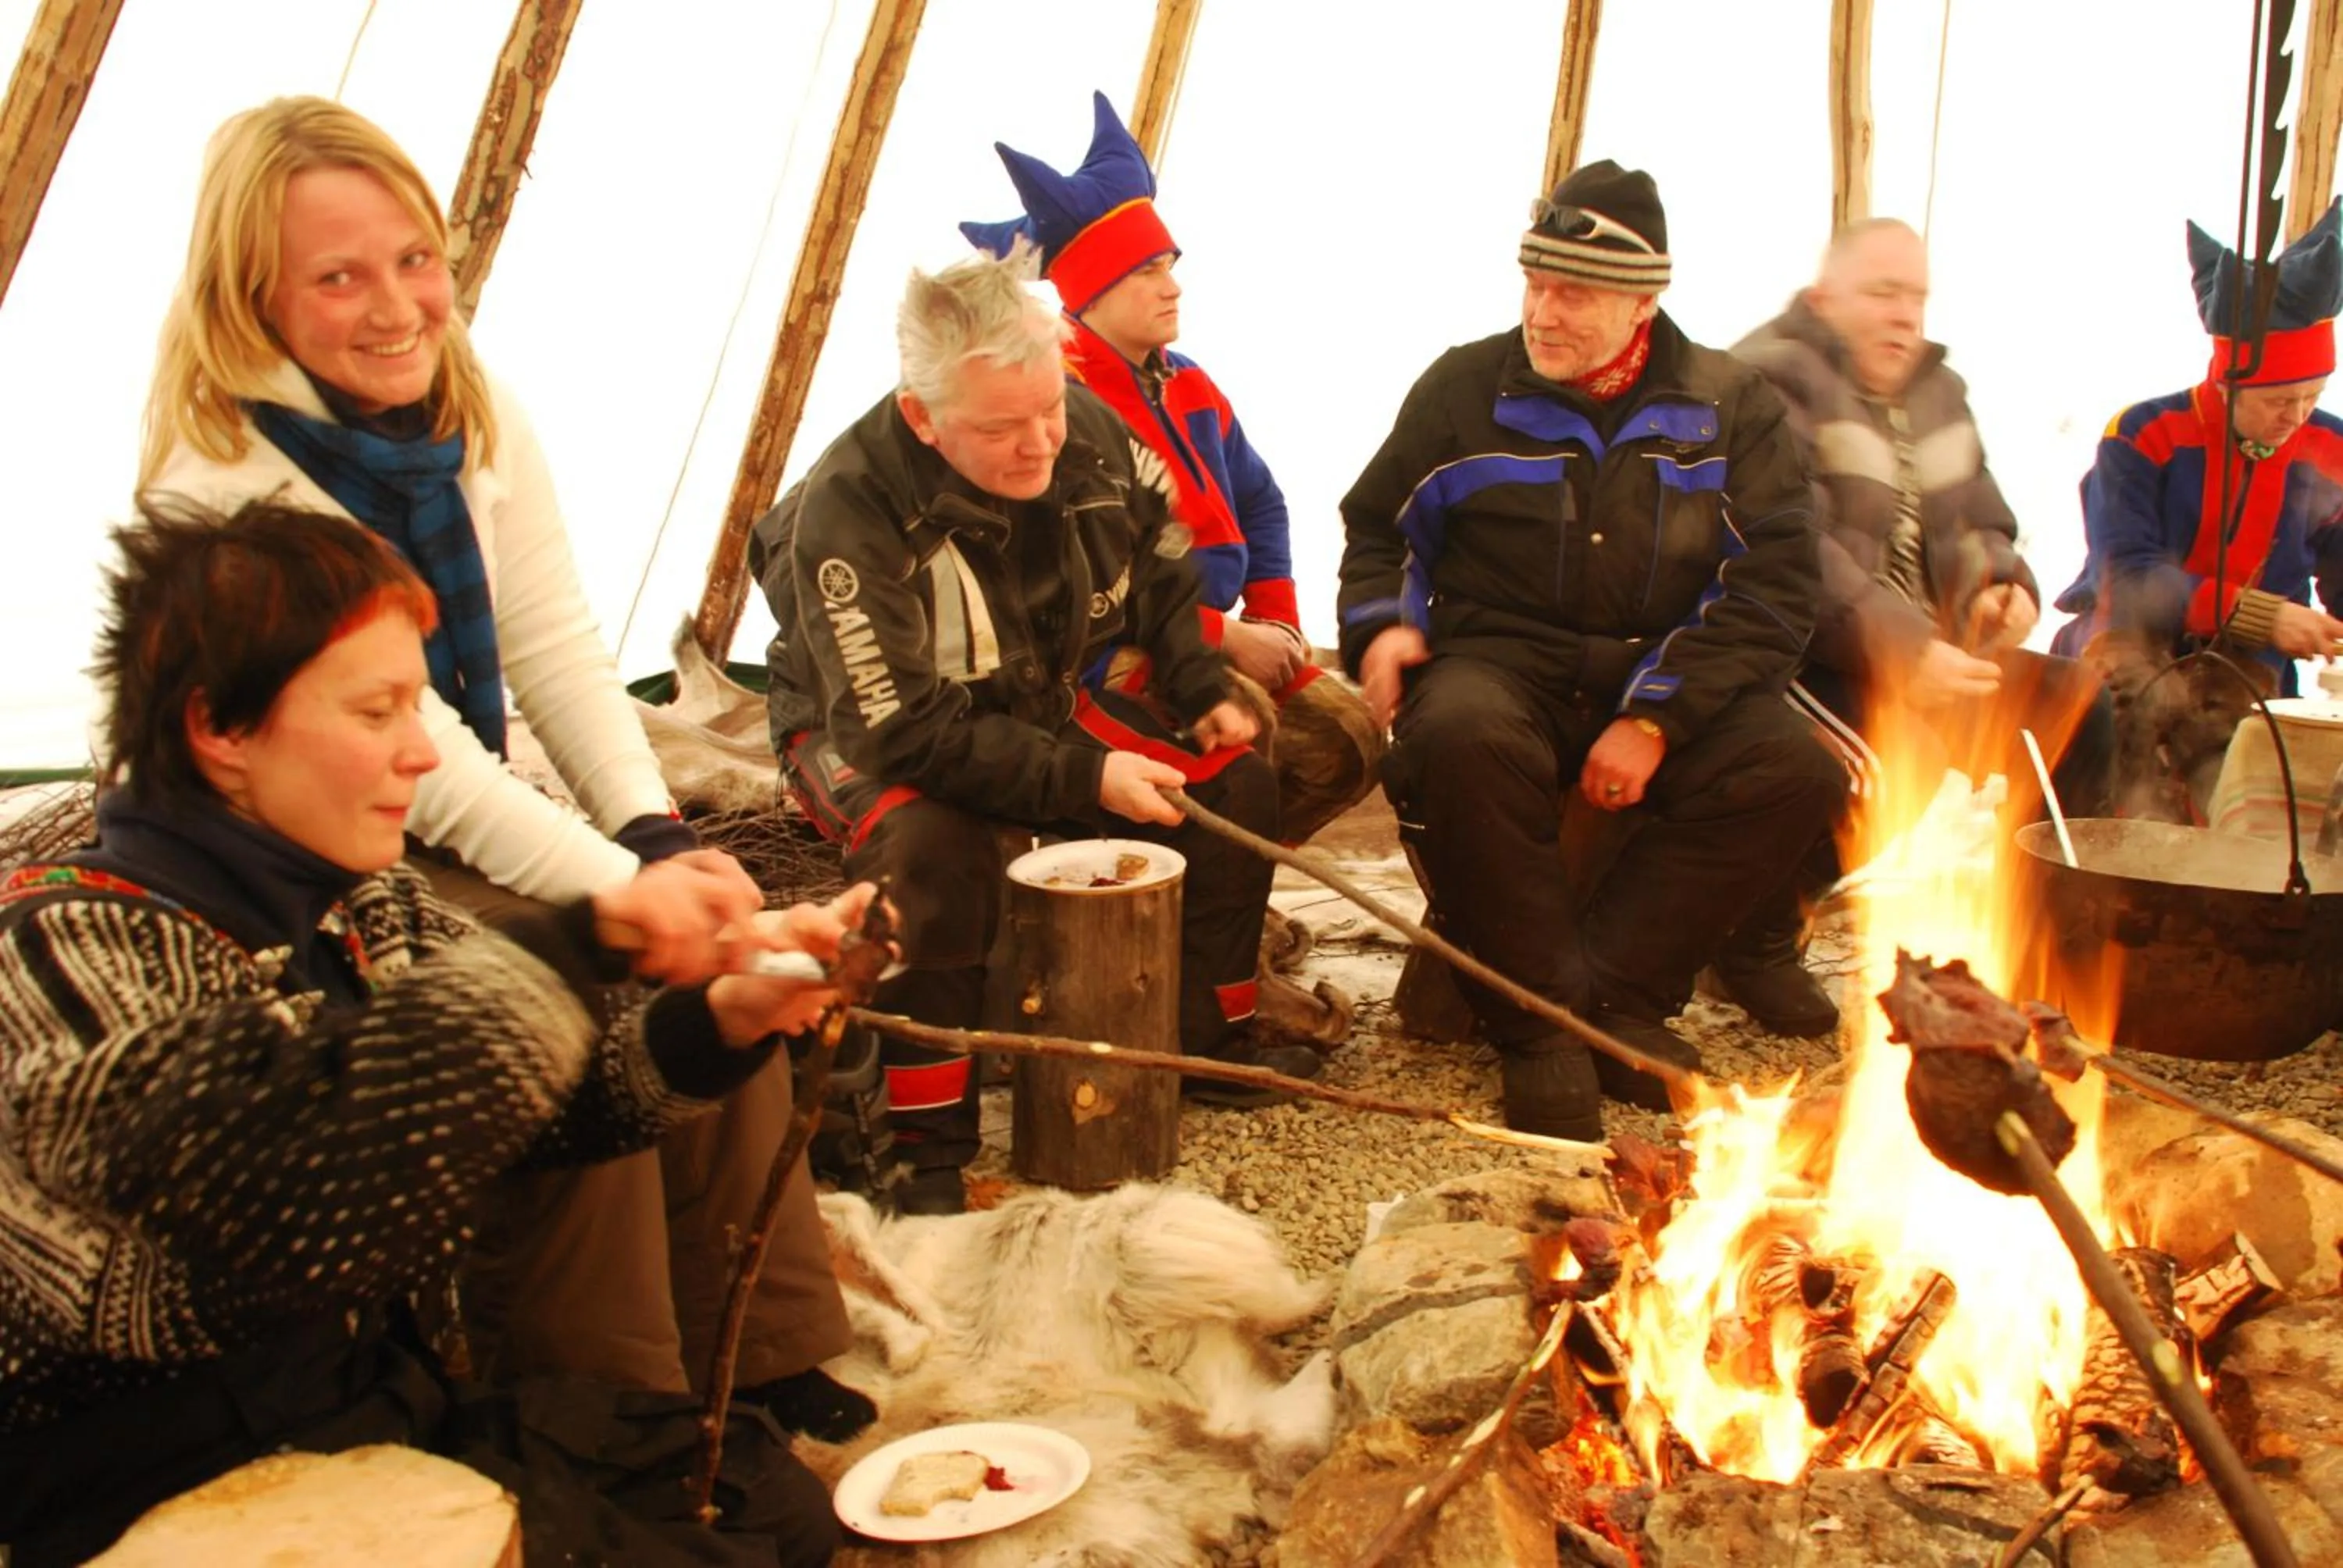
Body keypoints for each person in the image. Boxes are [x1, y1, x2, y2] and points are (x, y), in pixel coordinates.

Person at [135, 96, 864, 1438]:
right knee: (571, 1026)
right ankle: (612, 1420)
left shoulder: (463, 405)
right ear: (253, 293)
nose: (397, 305)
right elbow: (432, 765)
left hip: (440, 795)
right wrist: (626, 907)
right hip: (301, 854)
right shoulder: (231, 479)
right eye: (338, 277)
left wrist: (650, 838)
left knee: (727, 961)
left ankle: (760, 1344)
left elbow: (554, 645)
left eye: (414, 259)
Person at [0, 500, 855, 1566]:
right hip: (156, 1507)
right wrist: (573, 944)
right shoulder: (63, 947)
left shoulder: (361, 911)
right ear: (220, 729)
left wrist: (721, 1019)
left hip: (374, 1427)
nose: (419, 755)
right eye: (376, 714)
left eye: (420, 710)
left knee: (783, 1521)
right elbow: (285, 1189)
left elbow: (556, 1098)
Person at [753, 247, 1313, 1216]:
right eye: (1002, 427)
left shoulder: (1080, 424)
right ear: (923, 418)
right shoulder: (848, 511)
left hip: (1032, 692)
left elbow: (1162, 563)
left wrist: (1192, 680)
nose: (1041, 442)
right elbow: (907, 736)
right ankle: (922, 1145)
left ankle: (1202, 1042)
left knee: (1229, 779)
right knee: (935, 846)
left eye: (1050, 407)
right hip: (870, 722)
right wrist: (1089, 779)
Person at [1337, 160, 1841, 1141]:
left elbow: (1774, 584)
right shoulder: (1462, 389)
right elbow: (1380, 529)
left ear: (1646, 300)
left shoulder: (1731, 408)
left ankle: (1615, 1000)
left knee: (1790, 772)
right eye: (1533, 283)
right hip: (1503, 665)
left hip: (1662, 667)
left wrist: (1657, 716)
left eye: (1574, 291)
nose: (1543, 311)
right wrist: (1384, 625)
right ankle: (1540, 1031)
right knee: (1457, 737)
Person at [959, 92, 1381, 846]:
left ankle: (1233, 892)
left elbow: (1260, 498)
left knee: (1349, 741)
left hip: (1220, 630)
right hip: (1112, 650)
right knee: (1240, 735)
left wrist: (1275, 615)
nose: (1173, 285)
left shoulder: (1188, 381)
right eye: (1147, 271)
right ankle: (1177, 913)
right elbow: (1071, 575)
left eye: (1171, 264)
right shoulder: (1054, 402)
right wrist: (1220, 636)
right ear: (1091, 288)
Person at [1726, 219, 2111, 1029]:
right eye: (1883, 293)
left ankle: (2043, 943)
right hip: (1796, 650)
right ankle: (1751, 933)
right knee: (1894, 756)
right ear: (1826, 297)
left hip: (1928, 648)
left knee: (2078, 707)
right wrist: (1904, 652)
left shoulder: (1940, 392)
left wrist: (1998, 588)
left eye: (1917, 297)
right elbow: (1792, 547)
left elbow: (1981, 520)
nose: (1906, 315)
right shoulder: (1769, 378)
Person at [2051, 202, 2343, 820]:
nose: (2295, 418)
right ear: (2226, 385)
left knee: (2243, 758)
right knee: (2127, 712)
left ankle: (2218, 896)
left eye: (2311, 396)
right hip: (2126, 638)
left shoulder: (2331, 447)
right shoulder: (2142, 434)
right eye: (2276, 400)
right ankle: (2096, 883)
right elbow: (2129, 576)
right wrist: (2266, 617)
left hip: (2248, 670)